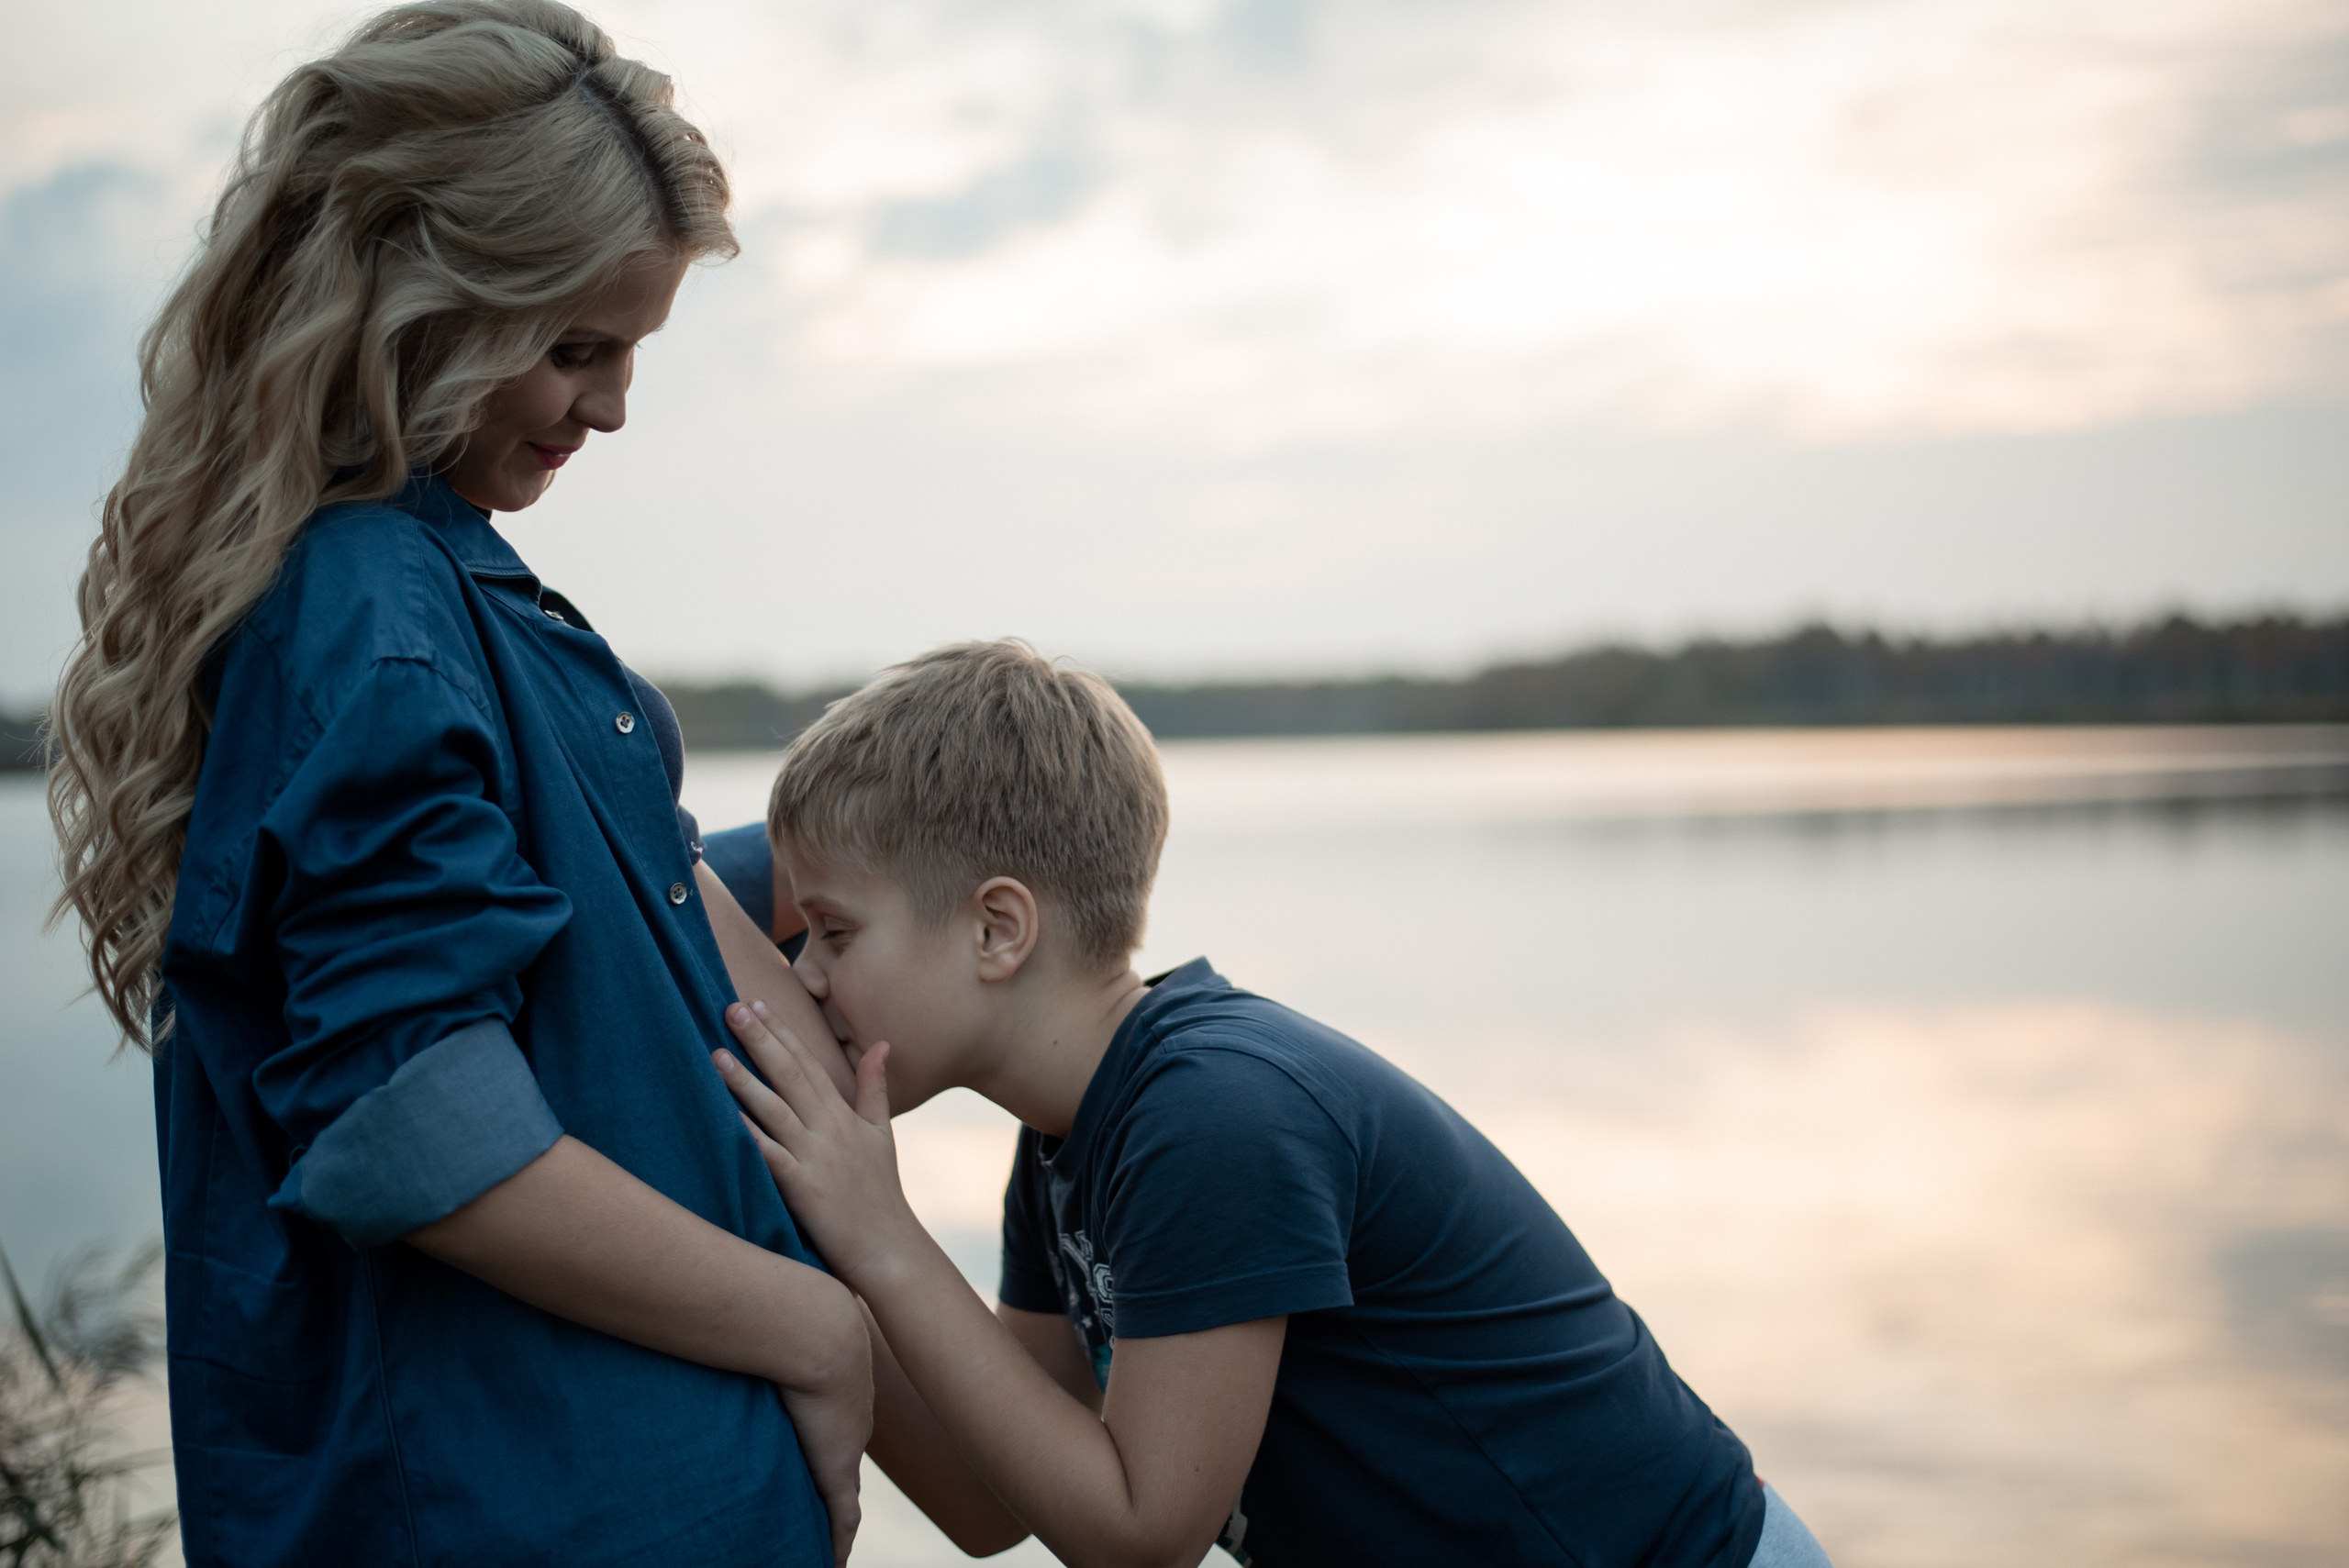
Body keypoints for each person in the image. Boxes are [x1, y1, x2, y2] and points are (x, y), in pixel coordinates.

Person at [44, 5, 871, 1563]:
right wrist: (814, 1323)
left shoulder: (431, 581)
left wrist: (878, 898)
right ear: (410, 300)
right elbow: (417, 1121)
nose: (615, 406)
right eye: (575, 348)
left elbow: (578, 921)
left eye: (631, 351)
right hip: (529, 1508)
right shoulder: (374, 608)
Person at [709, 639, 1839, 1568]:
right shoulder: (1063, 1142)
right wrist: (825, 1252)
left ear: (998, 928)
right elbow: (989, 1496)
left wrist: (888, 1238)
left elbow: (1143, 1533)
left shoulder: (1214, 1112)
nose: (801, 977)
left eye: (833, 934)